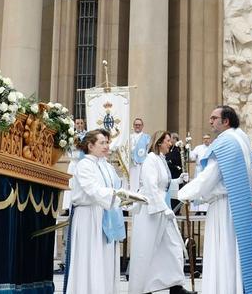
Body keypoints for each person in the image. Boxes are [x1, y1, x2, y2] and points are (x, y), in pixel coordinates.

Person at [177, 105, 252, 294]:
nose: (210, 121)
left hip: (224, 207)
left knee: (223, 253)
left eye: (214, 118)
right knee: (236, 254)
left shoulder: (224, 143)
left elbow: (208, 178)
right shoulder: (241, 138)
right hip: (240, 206)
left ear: (225, 121)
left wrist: (181, 193)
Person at [66, 129, 143, 294]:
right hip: (88, 217)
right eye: (102, 143)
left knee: (105, 259)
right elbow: (92, 190)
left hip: (105, 215)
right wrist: (116, 196)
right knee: (91, 258)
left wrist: (132, 200)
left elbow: (117, 189)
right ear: (90, 146)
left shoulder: (107, 166)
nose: (106, 146)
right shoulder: (84, 165)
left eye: (107, 142)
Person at [128, 131, 190, 294]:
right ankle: (141, 288)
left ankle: (176, 285)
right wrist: (161, 208)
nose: (171, 144)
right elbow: (150, 186)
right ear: (159, 143)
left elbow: (165, 185)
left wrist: (178, 181)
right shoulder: (150, 160)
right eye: (168, 141)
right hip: (152, 210)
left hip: (164, 206)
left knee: (174, 245)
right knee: (147, 248)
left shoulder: (161, 160)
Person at [129, 118, 148, 191]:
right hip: (131, 164)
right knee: (132, 183)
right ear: (133, 126)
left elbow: (147, 151)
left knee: (140, 183)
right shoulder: (129, 137)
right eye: (136, 125)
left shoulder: (146, 137)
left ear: (142, 126)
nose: (137, 126)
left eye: (139, 125)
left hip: (142, 164)